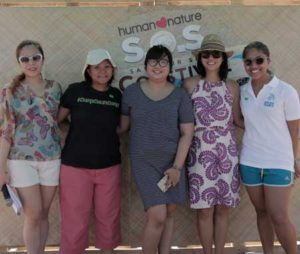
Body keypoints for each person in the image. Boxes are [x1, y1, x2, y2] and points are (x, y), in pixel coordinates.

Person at [119, 45, 194, 254]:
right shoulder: (132, 92)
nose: (158, 66)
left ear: (170, 67)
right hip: (143, 162)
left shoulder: (180, 95)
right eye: (153, 62)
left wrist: (177, 167)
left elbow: (187, 133)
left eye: (163, 62)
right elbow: (122, 127)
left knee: (169, 211)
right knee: (158, 214)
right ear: (145, 66)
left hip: (172, 162)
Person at [0, 40, 62, 254]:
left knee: (43, 213)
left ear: (42, 59)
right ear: (19, 63)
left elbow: (58, 120)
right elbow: (6, 132)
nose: (31, 62)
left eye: (36, 57)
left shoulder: (55, 88)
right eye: (25, 59)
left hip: (52, 158)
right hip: (20, 160)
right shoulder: (10, 91)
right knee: (33, 213)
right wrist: (1, 169)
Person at [58, 48, 122, 254]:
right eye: (97, 67)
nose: (102, 71)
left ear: (113, 70)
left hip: (109, 166)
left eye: (107, 67)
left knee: (108, 216)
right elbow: (58, 120)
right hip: (75, 166)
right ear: (88, 70)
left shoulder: (116, 95)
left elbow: (121, 127)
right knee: (74, 217)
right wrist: (78, 131)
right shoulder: (75, 91)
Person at [183, 34, 242, 254]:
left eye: (216, 54)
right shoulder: (190, 84)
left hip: (226, 151)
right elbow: (183, 121)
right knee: (205, 209)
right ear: (200, 58)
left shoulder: (232, 86)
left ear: (223, 58)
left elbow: (237, 121)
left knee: (223, 208)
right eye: (206, 54)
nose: (211, 58)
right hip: (199, 152)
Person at [239, 41, 300, 254]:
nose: (253, 66)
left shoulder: (286, 91)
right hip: (250, 162)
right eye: (248, 62)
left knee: (279, 217)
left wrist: (295, 160)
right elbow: (241, 121)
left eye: (259, 60)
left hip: (279, 163)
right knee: (262, 213)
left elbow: (295, 131)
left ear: (268, 61)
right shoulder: (243, 90)